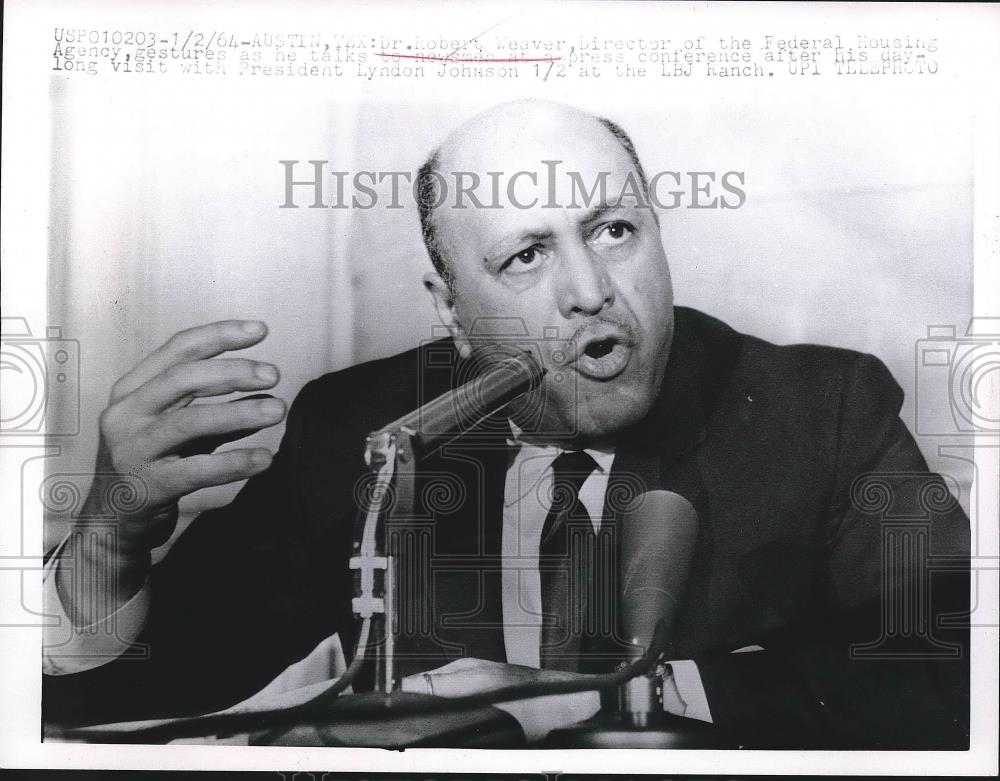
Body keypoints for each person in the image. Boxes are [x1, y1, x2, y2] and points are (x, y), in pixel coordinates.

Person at [42, 99, 970, 748]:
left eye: (614, 230)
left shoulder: (827, 409)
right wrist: (103, 548)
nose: (590, 292)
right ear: (449, 306)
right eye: (526, 255)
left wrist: (566, 706)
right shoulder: (357, 428)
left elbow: (956, 683)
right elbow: (156, 712)